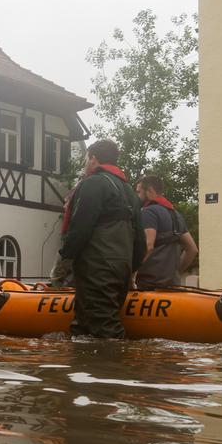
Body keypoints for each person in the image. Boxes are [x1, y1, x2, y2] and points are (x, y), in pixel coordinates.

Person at [59, 139, 146, 338]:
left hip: (97, 268)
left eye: (86, 159)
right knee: (83, 326)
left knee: (105, 327)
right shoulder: (131, 193)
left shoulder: (93, 184)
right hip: (121, 269)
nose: (85, 164)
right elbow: (140, 240)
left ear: (94, 159)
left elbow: (80, 227)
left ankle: (114, 367)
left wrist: (65, 257)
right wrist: (131, 268)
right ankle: (81, 366)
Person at [134, 175, 198, 289]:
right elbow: (192, 249)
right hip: (172, 285)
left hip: (149, 285)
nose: (137, 197)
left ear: (150, 191)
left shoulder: (148, 212)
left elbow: (148, 246)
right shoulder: (176, 215)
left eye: (138, 192)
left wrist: (131, 274)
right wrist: (176, 272)